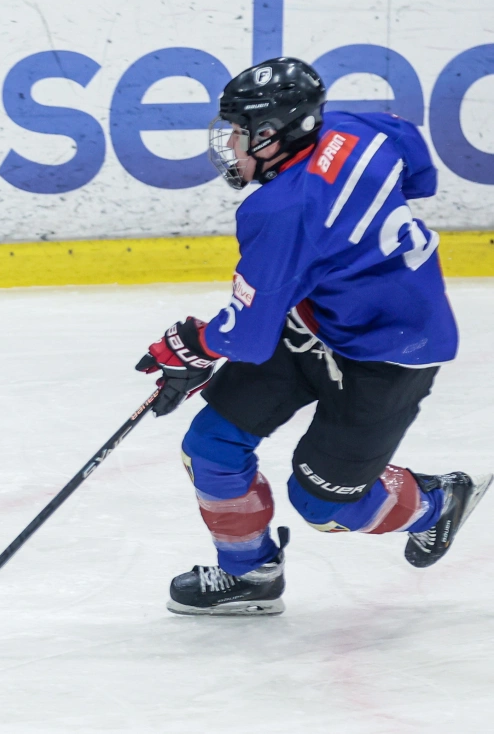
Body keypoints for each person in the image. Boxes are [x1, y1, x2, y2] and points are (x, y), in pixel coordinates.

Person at [137, 56, 490, 615]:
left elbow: (248, 338)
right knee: (211, 447)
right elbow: (418, 167)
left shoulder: (281, 210)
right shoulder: (357, 126)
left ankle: (436, 503)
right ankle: (250, 575)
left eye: (240, 131)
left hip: (390, 354)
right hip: (317, 324)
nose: (230, 142)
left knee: (325, 506)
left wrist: (194, 345)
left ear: (273, 135)